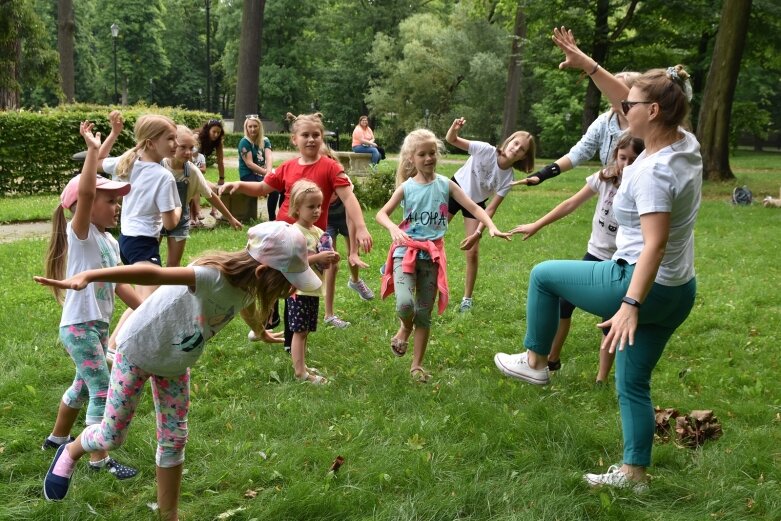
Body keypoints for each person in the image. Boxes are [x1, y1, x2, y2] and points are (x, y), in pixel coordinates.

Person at [494, 26, 701, 492]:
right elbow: (624, 96)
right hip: (679, 291)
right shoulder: (684, 145)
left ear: (650, 111)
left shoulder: (651, 170)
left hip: (638, 282)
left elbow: (655, 244)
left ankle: (535, 362)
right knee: (633, 383)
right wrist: (587, 64)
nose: (620, 107)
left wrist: (628, 303)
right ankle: (634, 475)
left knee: (544, 275)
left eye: (629, 104)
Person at [37, 221, 322, 521]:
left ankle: (169, 515)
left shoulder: (250, 287)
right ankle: (71, 451)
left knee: (175, 440)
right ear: (263, 271)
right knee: (112, 436)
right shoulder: (211, 276)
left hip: (175, 362)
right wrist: (91, 275)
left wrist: (261, 332)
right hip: (137, 350)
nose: (292, 288)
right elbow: (154, 273)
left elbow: (247, 307)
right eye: (288, 279)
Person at [41, 121, 140, 480]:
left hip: (95, 328)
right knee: (103, 388)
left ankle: (56, 439)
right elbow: (84, 194)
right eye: (110, 200)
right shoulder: (80, 236)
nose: (117, 207)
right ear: (86, 205)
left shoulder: (110, 243)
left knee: (82, 387)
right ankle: (99, 460)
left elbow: (116, 285)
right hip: (79, 328)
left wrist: (146, 310)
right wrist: (94, 150)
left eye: (118, 201)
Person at [220, 112, 374, 340]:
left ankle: (293, 342)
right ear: (294, 139)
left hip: (308, 241)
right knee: (270, 279)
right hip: (281, 237)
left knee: (299, 291)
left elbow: (349, 197)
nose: (311, 139)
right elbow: (263, 188)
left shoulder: (330, 167)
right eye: (305, 135)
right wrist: (239, 184)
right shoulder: (287, 167)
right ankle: (265, 323)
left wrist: (360, 227)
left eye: (316, 135)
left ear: (322, 138)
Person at [376, 129, 511, 383]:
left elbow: (473, 207)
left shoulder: (446, 185)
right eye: (422, 154)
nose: (429, 158)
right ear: (411, 159)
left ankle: (416, 365)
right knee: (405, 304)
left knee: (424, 313)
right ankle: (405, 327)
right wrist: (393, 227)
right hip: (406, 252)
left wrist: (490, 227)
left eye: (432, 153)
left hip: (432, 256)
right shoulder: (406, 187)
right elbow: (381, 214)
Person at [511, 133, 644, 383]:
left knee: (610, 320)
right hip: (595, 253)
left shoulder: (644, 187)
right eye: (622, 158)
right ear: (615, 156)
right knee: (563, 304)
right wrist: (537, 224)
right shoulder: (604, 178)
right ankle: (551, 359)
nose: (626, 165)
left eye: (633, 160)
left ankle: (602, 378)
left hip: (620, 263)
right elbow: (570, 204)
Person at [445, 117, 536, 312]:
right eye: (516, 143)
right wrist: (454, 129)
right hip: (455, 190)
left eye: (522, 149)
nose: (516, 148)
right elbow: (451, 140)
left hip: (475, 204)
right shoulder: (485, 150)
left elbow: (491, 208)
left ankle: (466, 299)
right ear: (508, 141)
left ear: (523, 157)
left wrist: (477, 233)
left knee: (473, 251)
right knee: (430, 233)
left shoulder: (508, 179)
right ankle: (400, 260)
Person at [515, 71, 640, 187]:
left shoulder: (647, 127)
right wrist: (542, 175)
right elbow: (579, 152)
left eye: (615, 90)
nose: (610, 94)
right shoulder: (604, 122)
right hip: (611, 193)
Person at [160, 125, 242, 267]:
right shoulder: (158, 165)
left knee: (173, 265)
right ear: (172, 145)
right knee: (150, 259)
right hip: (157, 217)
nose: (188, 152)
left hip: (180, 219)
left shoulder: (192, 171)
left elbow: (210, 196)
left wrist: (230, 218)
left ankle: (171, 288)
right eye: (183, 147)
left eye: (191, 148)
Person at [284, 180, 340, 383]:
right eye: (311, 207)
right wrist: (318, 258)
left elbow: (322, 255)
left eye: (319, 206)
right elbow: (293, 261)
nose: (317, 210)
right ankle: (300, 373)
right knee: (299, 332)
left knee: (305, 330)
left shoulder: (317, 232)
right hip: (298, 290)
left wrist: (332, 258)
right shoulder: (294, 233)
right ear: (297, 208)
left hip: (313, 288)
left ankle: (302, 364)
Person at [319, 145, 373, 329]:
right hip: (327, 222)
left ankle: (355, 281)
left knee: (353, 258)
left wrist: (354, 251)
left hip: (345, 218)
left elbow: (351, 215)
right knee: (332, 264)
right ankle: (329, 315)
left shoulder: (342, 181)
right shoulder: (314, 182)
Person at [238, 115, 276, 221]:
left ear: (260, 127)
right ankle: (269, 218)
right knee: (271, 187)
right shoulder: (244, 142)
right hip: (248, 174)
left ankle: (274, 218)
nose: (252, 129)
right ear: (246, 128)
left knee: (277, 187)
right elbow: (249, 164)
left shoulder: (265, 140)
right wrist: (267, 174)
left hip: (262, 173)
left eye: (255, 126)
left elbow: (269, 157)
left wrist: (269, 172)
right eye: (250, 126)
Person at [196, 119, 227, 186]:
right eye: (214, 132)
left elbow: (220, 160)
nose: (216, 135)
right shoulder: (197, 138)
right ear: (208, 130)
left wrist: (221, 178)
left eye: (218, 132)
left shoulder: (218, 142)